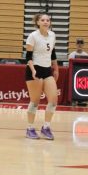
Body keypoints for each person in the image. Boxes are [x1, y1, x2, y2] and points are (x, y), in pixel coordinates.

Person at [24, 12, 60, 140]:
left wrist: (56, 68)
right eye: (43, 20)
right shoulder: (33, 36)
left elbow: (53, 53)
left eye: (48, 20)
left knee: (53, 100)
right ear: (38, 22)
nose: (46, 22)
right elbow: (27, 57)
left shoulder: (52, 35)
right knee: (35, 102)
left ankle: (46, 127)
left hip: (47, 70)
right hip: (35, 70)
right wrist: (33, 70)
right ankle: (30, 128)